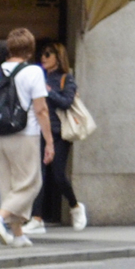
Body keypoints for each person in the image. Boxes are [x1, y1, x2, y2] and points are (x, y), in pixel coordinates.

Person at [0, 26, 51, 246]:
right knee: (30, 183)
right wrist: (49, 141)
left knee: (8, 186)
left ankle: (18, 235)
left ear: (9, 48)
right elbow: (41, 110)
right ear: (30, 50)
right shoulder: (34, 72)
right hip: (24, 134)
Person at [32, 41, 88, 233]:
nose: (43, 58)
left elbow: (66, 102)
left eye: (48, 54)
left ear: (58, 57)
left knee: (58, 176)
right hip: (39, 131)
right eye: (42, 54)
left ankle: (75, 206)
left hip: (59, 134)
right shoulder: (37, 76)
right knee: (39, 174)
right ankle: (37, 218)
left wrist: (49, 92)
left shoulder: (66, 78)